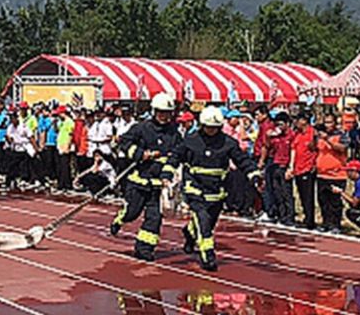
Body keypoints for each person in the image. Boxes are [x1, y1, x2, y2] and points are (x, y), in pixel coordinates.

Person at [169, 106, 262, 271]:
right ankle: (207, 255)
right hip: (195, 188)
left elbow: (242, 160)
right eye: (208, 127)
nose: (211, 131)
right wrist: (166, 173)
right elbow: (176, 157)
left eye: (214, 128)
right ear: (202, 125)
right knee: (203, 222)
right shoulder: (191, 141)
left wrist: (254, 174)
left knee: (208, 223)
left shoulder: (228, 143)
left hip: (217, 190)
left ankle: (190, 233)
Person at [110, 93, 181, 262]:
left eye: (167, 112)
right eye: (161, 112)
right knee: (133, 213)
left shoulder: (174, 134)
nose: (164, 116)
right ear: (154, 111)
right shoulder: (141, 128)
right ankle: (121, 218)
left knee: (154, 218)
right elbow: (124, 142)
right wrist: (141, 154)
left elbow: (176, 156)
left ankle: (144, 248)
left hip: (157, 184)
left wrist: (167, 174)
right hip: (138, 180)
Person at [315, 113, 349, 233]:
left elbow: (342, 148)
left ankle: (335, 224)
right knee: (323, 200)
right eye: (325, 122)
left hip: (337, 174)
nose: (327, 125)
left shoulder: (341, 135)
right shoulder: (320, 136)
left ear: (335, 123)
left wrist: (327, 139)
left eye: (330, 122)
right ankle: (326, 222)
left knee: (335, 201)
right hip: (321, 174)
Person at [288, 112, 317, 230]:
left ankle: (310, 220)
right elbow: (293, 149)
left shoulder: (312, 133)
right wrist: (291, 167)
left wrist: (313, 165)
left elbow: (316, 148)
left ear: (304, 121)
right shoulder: (297, 134)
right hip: (298, 168)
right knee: (301, 194)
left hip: (307, 168)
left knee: (308, 195)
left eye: (298, 120)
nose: (296, 122)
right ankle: (306, 217)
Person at [266, 111, 294, 226]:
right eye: (277, 124)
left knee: (286, 193)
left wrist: (290, 168)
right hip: (276, 165)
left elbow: (293, 151)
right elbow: (268, 147)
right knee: (277, 192)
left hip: (285, 166)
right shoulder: (277, 136)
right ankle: (281, 215)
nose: (279, 127)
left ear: (287, 124)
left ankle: (289, 216)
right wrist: (268, 136)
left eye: (281, 124)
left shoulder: (292, 135)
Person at [5, 112, 36, 190]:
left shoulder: (23, 126)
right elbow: (10, 139)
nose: (12, 120)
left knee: (25, 164)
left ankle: (26, 179)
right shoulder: (10, 127)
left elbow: (31, 137)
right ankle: (11, 180)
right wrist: (8, 139)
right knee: (12, 165)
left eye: (13, 118)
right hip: (16, 148)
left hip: (24, 147)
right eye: (11, 119)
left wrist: (35, 148)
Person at [55, 106, 75, 192]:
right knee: (60, 165)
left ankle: (67, 184)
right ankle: (61, 183)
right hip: (60, 144)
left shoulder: (69, 122)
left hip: (65, 145)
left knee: (65, 166)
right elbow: (57, 130)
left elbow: (70, 135)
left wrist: (67, 146)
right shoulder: (61, 122)